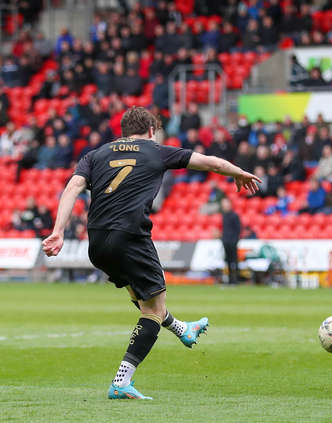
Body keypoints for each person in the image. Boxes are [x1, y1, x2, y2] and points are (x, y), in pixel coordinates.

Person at [42, 107, 261, 400]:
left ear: (123, 131)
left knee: (143, 298)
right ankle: (121, 381)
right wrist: (239, 172)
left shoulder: (95, 155)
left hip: (97, 243)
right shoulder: (155, 150)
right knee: (153, 309)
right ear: (150, 131)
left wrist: (58, 230)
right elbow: (210, 163)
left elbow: (72, 187)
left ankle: (182, 329)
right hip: (131, 237)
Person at [220, 197, 241, 284]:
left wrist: (235, 240)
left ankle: (235, 279)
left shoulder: (234, 216)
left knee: (234, 260)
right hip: (226, 241)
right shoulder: (224, 216)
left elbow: (238, 229)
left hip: (232, 242)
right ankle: (229, 279)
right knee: (228, 261)